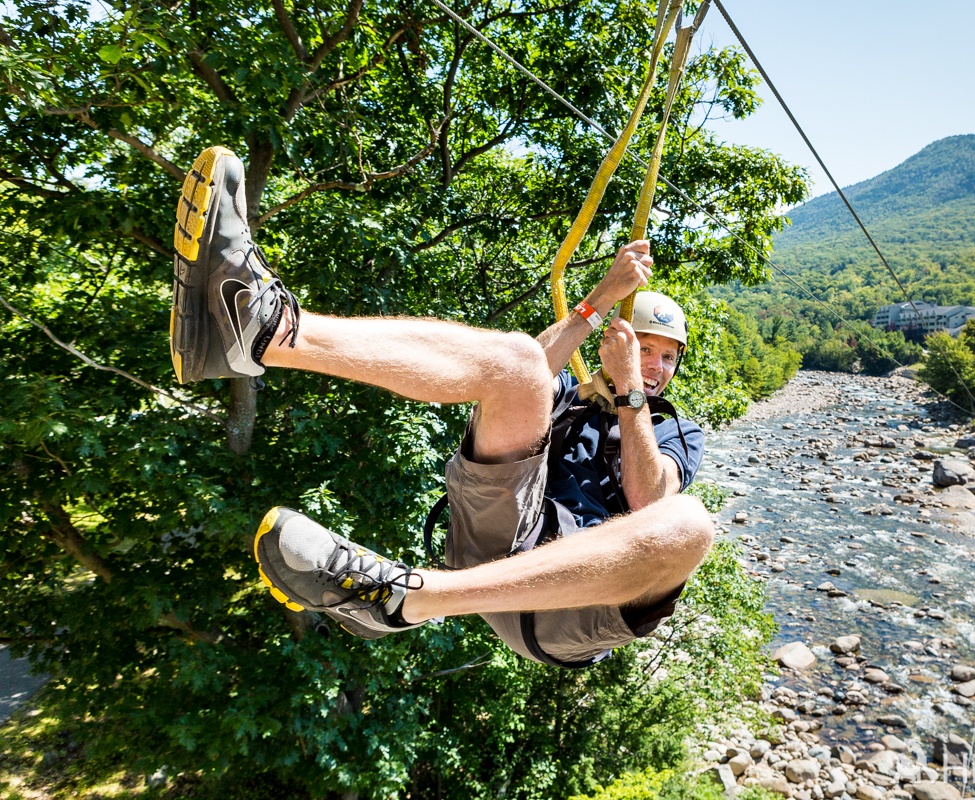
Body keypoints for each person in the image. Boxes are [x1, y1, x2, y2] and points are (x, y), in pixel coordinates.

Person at [171, 146, 713, 667]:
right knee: (520, 360)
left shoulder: (675, 431)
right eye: (646, 349)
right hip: (502, 536)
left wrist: (629, 393)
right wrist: (595, 302)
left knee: (689, 524)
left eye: (669, 357)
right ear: (617, 344)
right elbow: (528, 364)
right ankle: (266, 331)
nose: (657, 366)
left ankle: (413, 598)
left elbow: (649, 502)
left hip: (574, 602)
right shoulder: (574, 396)